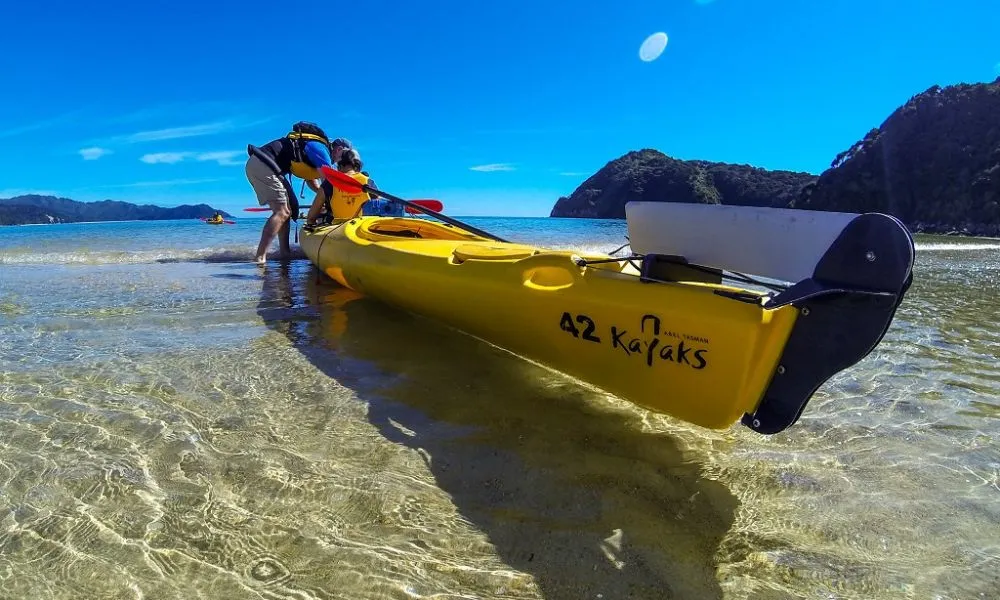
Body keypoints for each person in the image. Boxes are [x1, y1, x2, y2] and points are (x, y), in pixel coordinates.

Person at [244, 122, 352, 263]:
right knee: (281, 212)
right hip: (263, 165)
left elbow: (312, 180)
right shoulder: (321, 150)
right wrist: (330, 203)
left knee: (287, 211)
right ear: (338, 150)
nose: (343, 160)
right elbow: (329, 183)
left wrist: (322, 199)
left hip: (264, 164)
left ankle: (284, 253)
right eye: (345, 155)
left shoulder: (315, 148)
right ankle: (260, 257)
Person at [304, 148, 375, 226]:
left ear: (339, 165)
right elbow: (380, 207)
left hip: (337, 229)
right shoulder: (368, 182)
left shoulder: (329, 183)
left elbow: (311, 217)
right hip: (362, 228)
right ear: (357, 165)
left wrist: (312, 227)